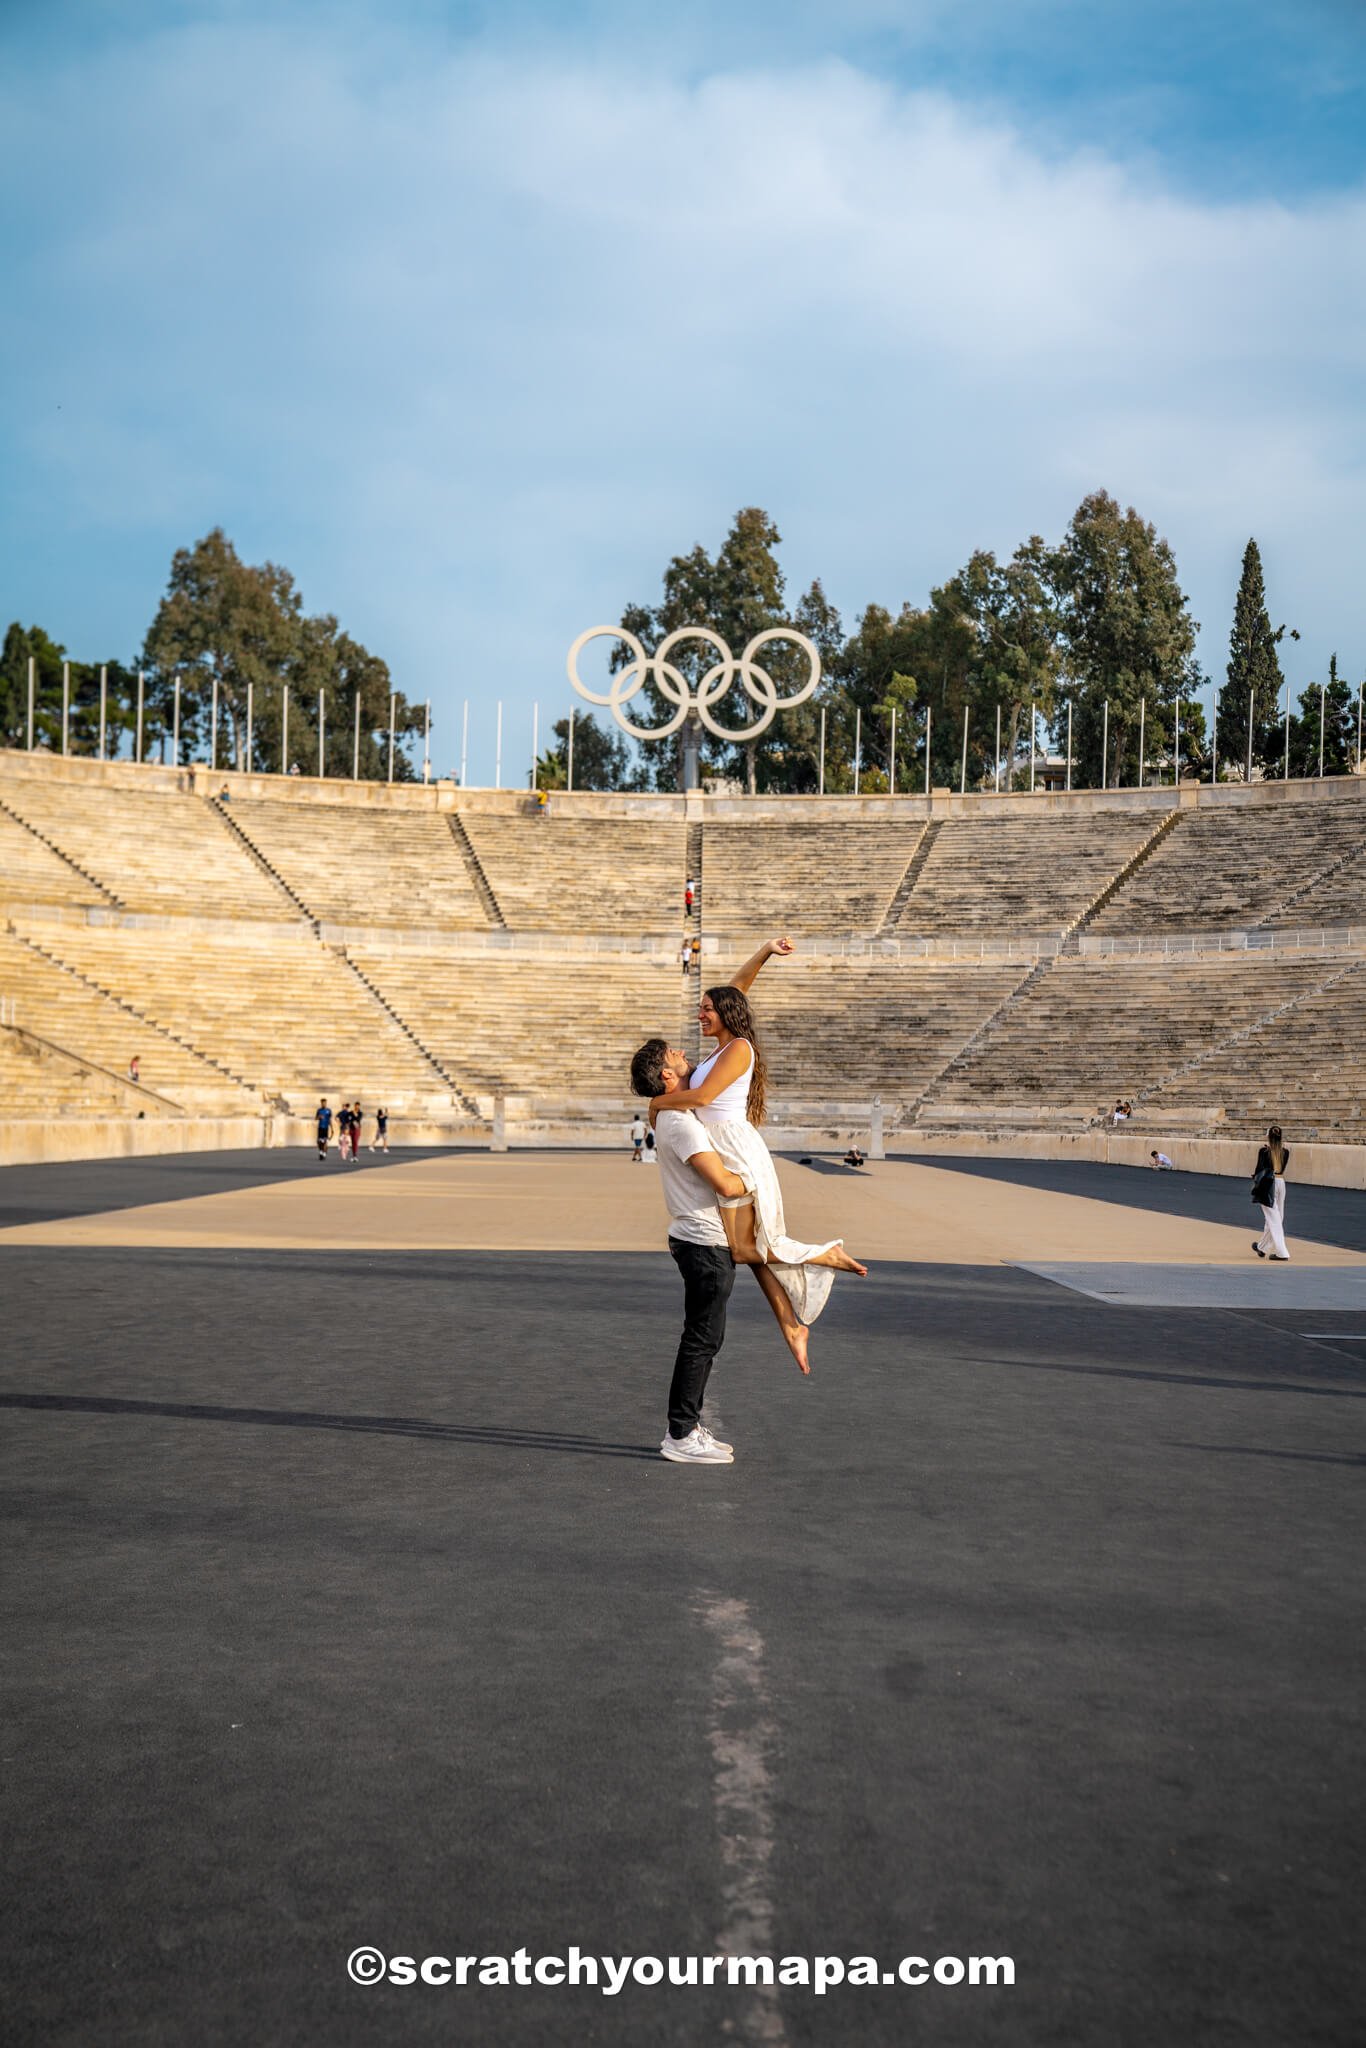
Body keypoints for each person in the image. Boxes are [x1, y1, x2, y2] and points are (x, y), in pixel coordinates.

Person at [647, 937, 867, 1331]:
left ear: (726, 1013)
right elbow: (736, 988)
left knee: (749, 1246)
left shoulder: (738, 1049)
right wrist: (765, 950)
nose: (700, 1014)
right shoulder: (719, 1048)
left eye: (706, 1009)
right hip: (718, 1143)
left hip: (734, 1147)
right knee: (746, 1248)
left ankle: (824, 1258)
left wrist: (657, 1104)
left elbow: (704, 1097)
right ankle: (791, 1325)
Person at [631, 1043, 817, 1459]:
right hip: (704, 1243)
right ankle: (680, 1434)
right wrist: (755, 1177)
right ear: (666, 1075)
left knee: (704, 1337)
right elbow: (726, 1185)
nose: (683, 1051)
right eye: (673, 1053)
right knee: (702, 1339)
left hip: (698, 1240)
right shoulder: (682, 1124)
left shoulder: (673, 1115)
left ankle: (687, 1427)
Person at [1252, 1124, 1291, 1260]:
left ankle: (1282, 1252)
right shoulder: (1285, 1152)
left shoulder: (1264, 1152)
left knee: (1274, 1218)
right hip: (1281, 1182)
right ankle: (1262, 1247)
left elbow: (1259, 1170)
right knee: (1276, 1217)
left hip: (1268, 1184)